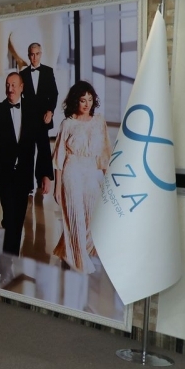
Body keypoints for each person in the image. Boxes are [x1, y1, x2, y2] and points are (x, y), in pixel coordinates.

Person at [0, 72, 52, 286]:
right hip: (4, 176)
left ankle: (8, 263)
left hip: (24, 176)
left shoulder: (33, 111)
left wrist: (46, 174)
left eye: (14, 85)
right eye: (8, 85)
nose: (10, 89)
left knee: (15, 222)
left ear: (22, 87)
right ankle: (5, 269)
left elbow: (43, 143)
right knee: (11, 218)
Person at [52, 81, 111, 273]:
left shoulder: (99, 121)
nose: (87, 104)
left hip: (92, 172)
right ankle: (78, 261)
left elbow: (104, 153)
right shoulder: (68, 124)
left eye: (90, 100)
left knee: (93, 218)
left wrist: (108, 181)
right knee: (75, 216)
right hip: (72, 171)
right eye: (83, 100)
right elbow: (59, 157)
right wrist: (57, 187)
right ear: (75, 101)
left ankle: (67, 251)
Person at [19, 43, 59, 130]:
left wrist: (50, 111)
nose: (35, 57)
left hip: (44, 118)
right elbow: (19, 96)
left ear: (40, 54)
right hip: (28, 119)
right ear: (28, 56)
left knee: (43, 139)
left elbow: (54, 93)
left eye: (37, 54)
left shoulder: (48, 71)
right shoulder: (23, 74)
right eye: (32, 54)